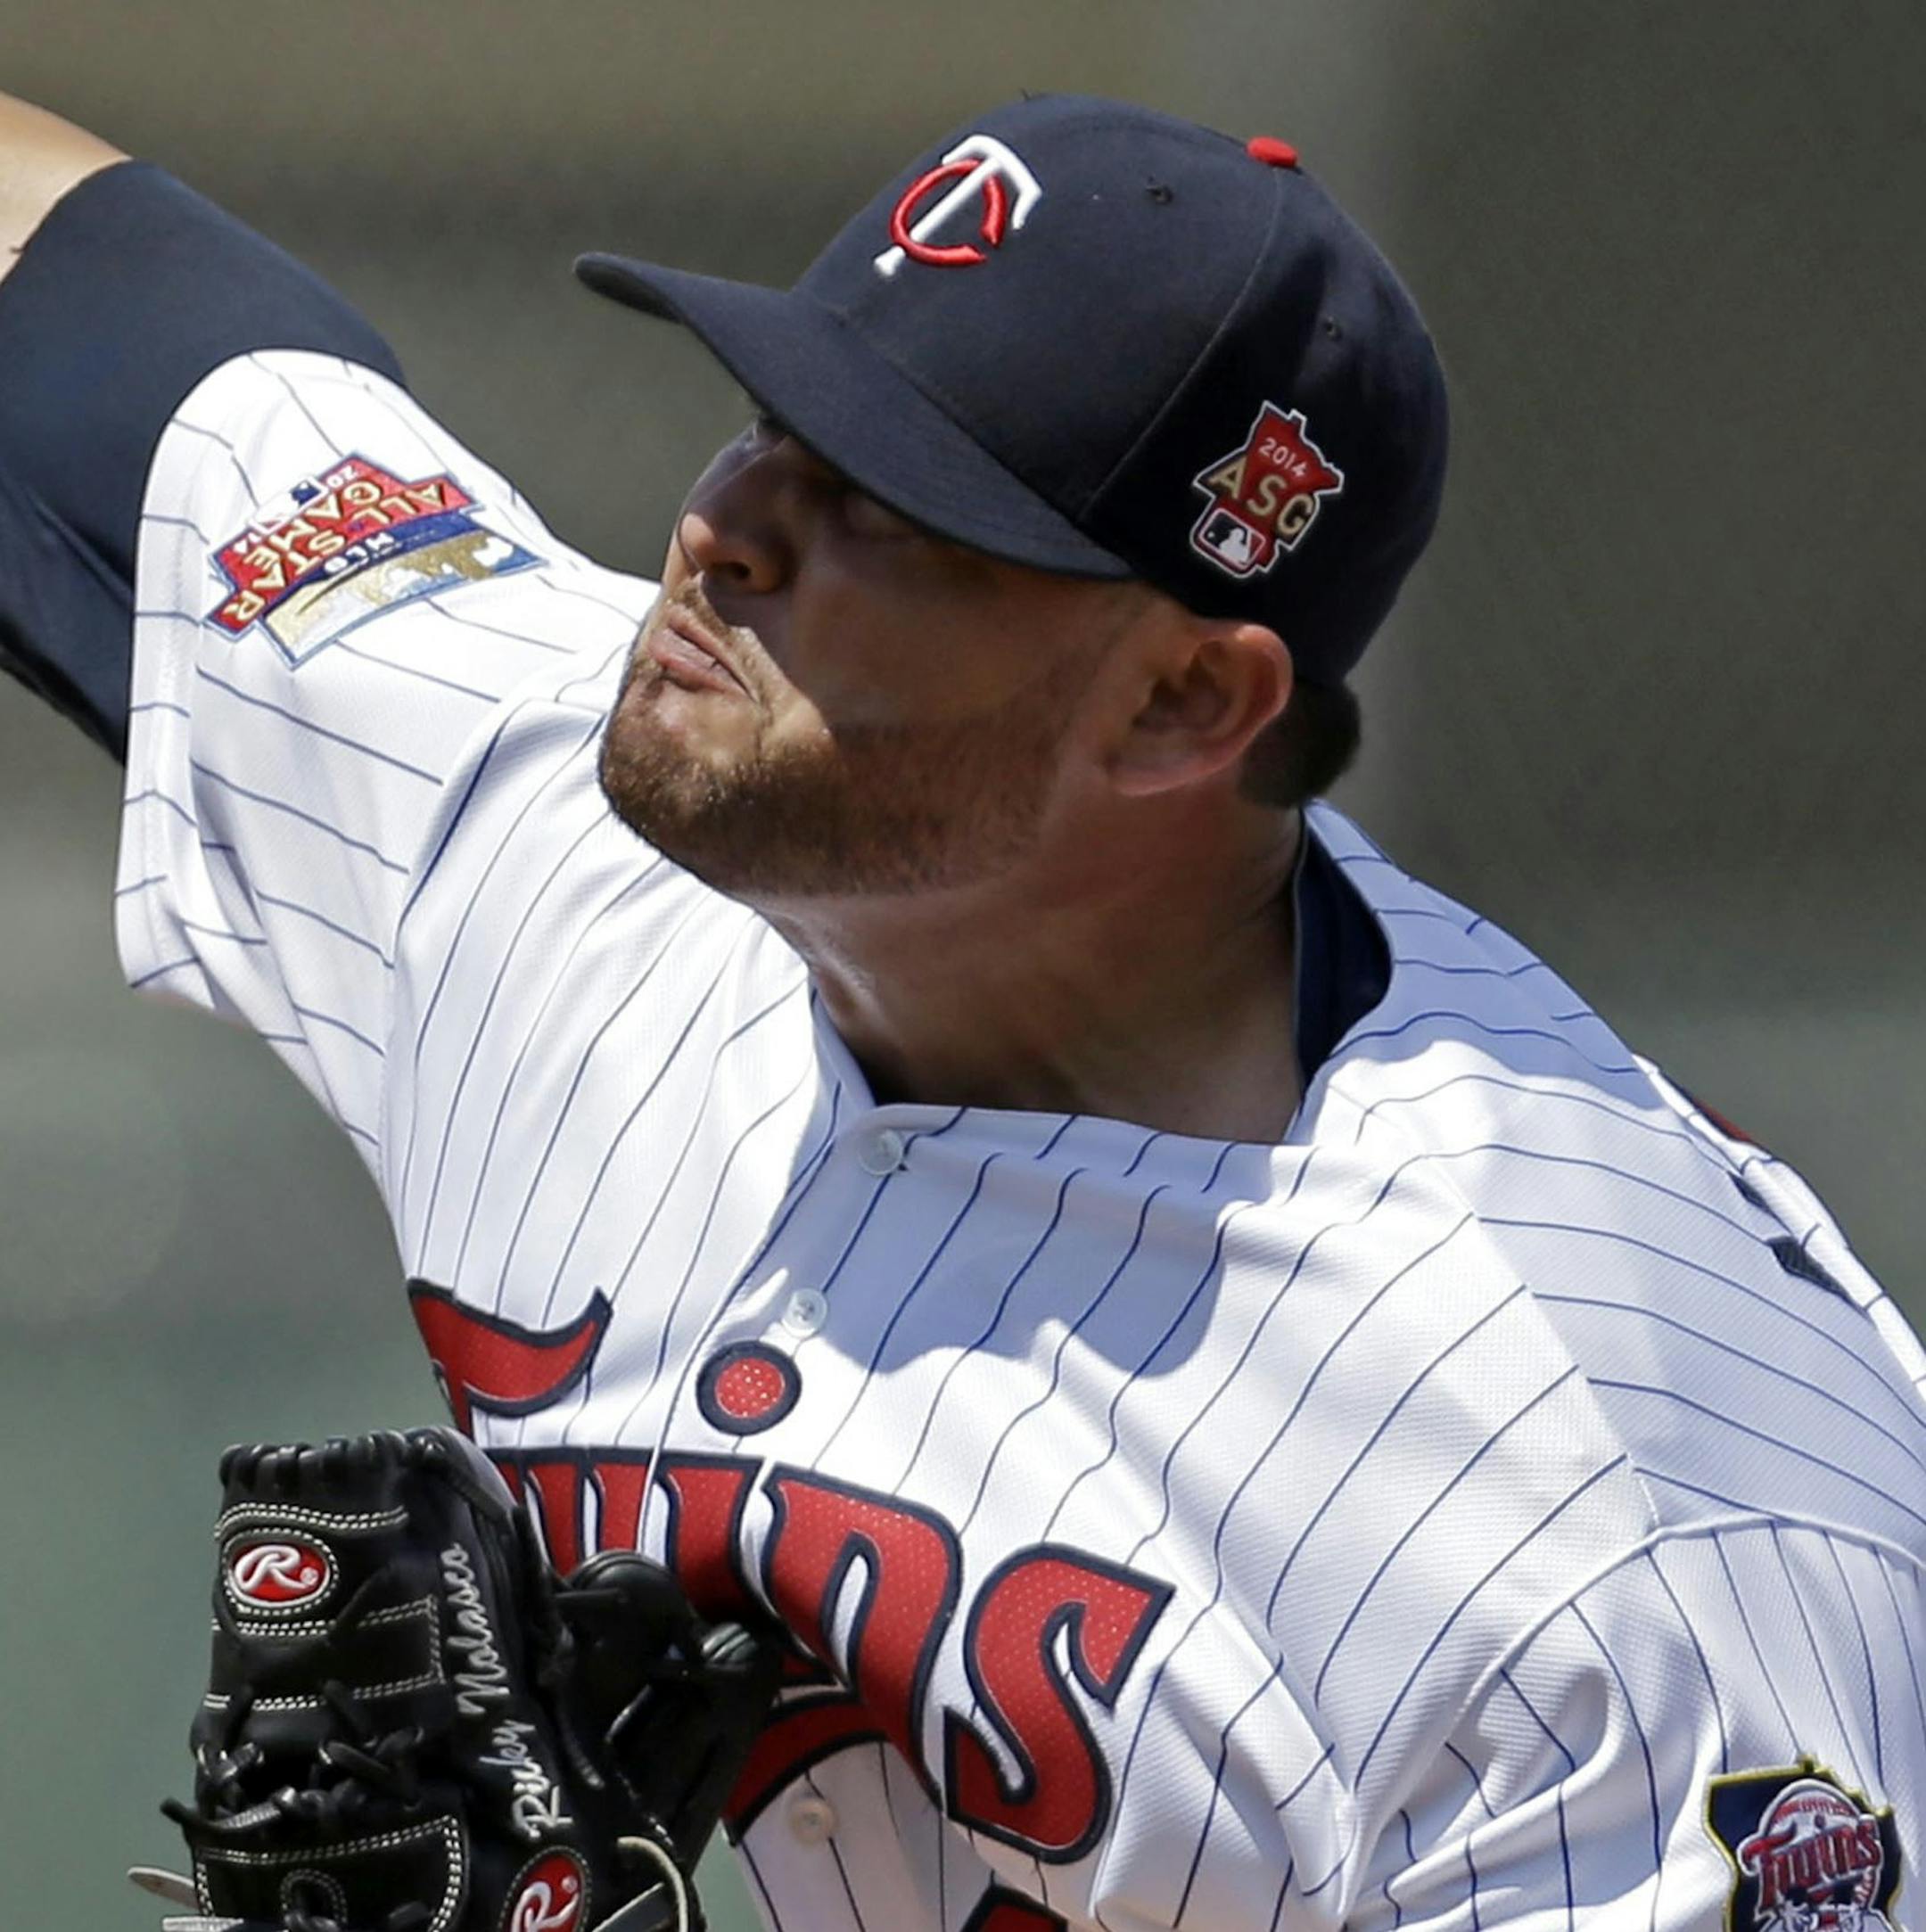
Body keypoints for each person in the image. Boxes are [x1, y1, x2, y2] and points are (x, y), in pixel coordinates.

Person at [4, 86, 1924, 1932]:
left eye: (894, 503)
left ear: (1187, 706)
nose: (728, 525)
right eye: (773, 409)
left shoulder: (1607, 1510)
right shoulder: (552, 839)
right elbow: (84, 306)